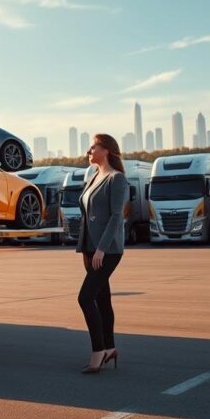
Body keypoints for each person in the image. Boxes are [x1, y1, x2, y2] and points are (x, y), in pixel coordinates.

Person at [75, 134, 127, 374]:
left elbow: (117, 217)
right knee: (102, 298)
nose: (89, 150)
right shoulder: (94, 176)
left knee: (85, 297)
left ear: (106, 150)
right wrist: (87, 247)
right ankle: (110, 348)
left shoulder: (116, 179)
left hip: (107, 249)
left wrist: (102, 249)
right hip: (89, 247)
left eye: (93, 146)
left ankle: (98, 351)